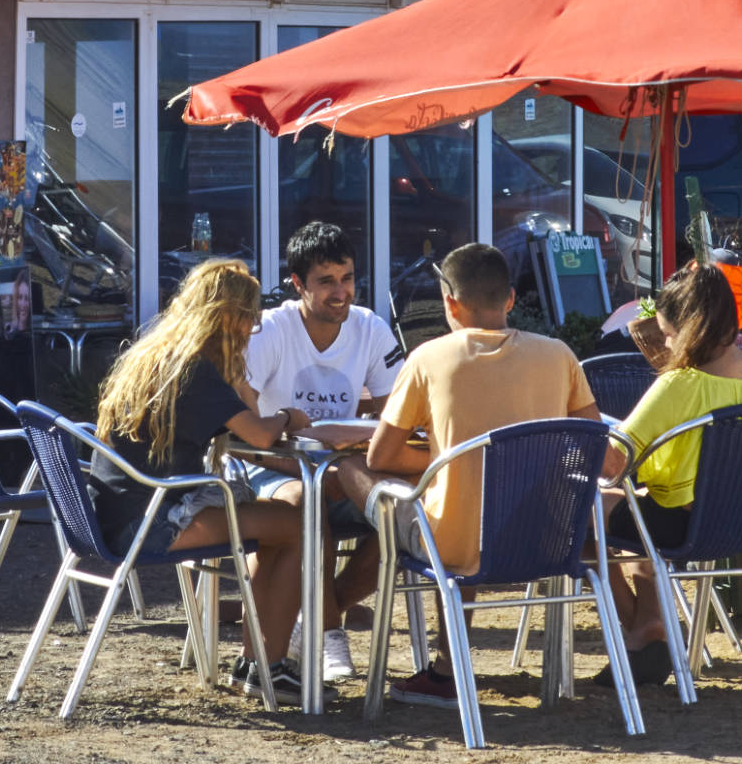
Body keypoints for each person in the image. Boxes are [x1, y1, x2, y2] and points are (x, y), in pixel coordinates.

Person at [336, 242, 605, 709]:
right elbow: (595, 446)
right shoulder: (559, 355)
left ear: (449, 304)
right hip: (544, 538)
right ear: (511, 300)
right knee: (466, 495)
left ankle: (339, 625)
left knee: (353, 468)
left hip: (454, 545)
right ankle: (439, 665)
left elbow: (380, 456)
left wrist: (452, 459)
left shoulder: (428, 357)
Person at [91, 259, 315, 705]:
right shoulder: (196, 369)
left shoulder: (156, 355)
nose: (254, 327)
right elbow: (259, 434)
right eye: (250, 316)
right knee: (298, 526)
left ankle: (259, 662)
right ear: (227, 316)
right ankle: (265, 666)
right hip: (149, 523)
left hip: (114, 515)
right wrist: (290, 416)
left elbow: (235, 435)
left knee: (274, 524)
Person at [601, 261, 742, 690]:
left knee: (582, 511)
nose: (665, 342)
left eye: (668, 333)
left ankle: (640, 629)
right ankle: (648, 623)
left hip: (681, 523)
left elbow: (614, 462)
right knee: (646, 506)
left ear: (690, 328)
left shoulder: (681, 384)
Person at [238, 221, 402, 680]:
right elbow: (241, 428)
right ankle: (329, 633)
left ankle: (317, 613)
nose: (340, 292)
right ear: (297, 284)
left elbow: (401, 418)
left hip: (337, 469)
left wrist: (361, 440)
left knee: (402, 511)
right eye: (326, 281)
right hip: (267, 468)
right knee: (309, 500)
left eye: (347, 278)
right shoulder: (270, 330)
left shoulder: (370, 327)